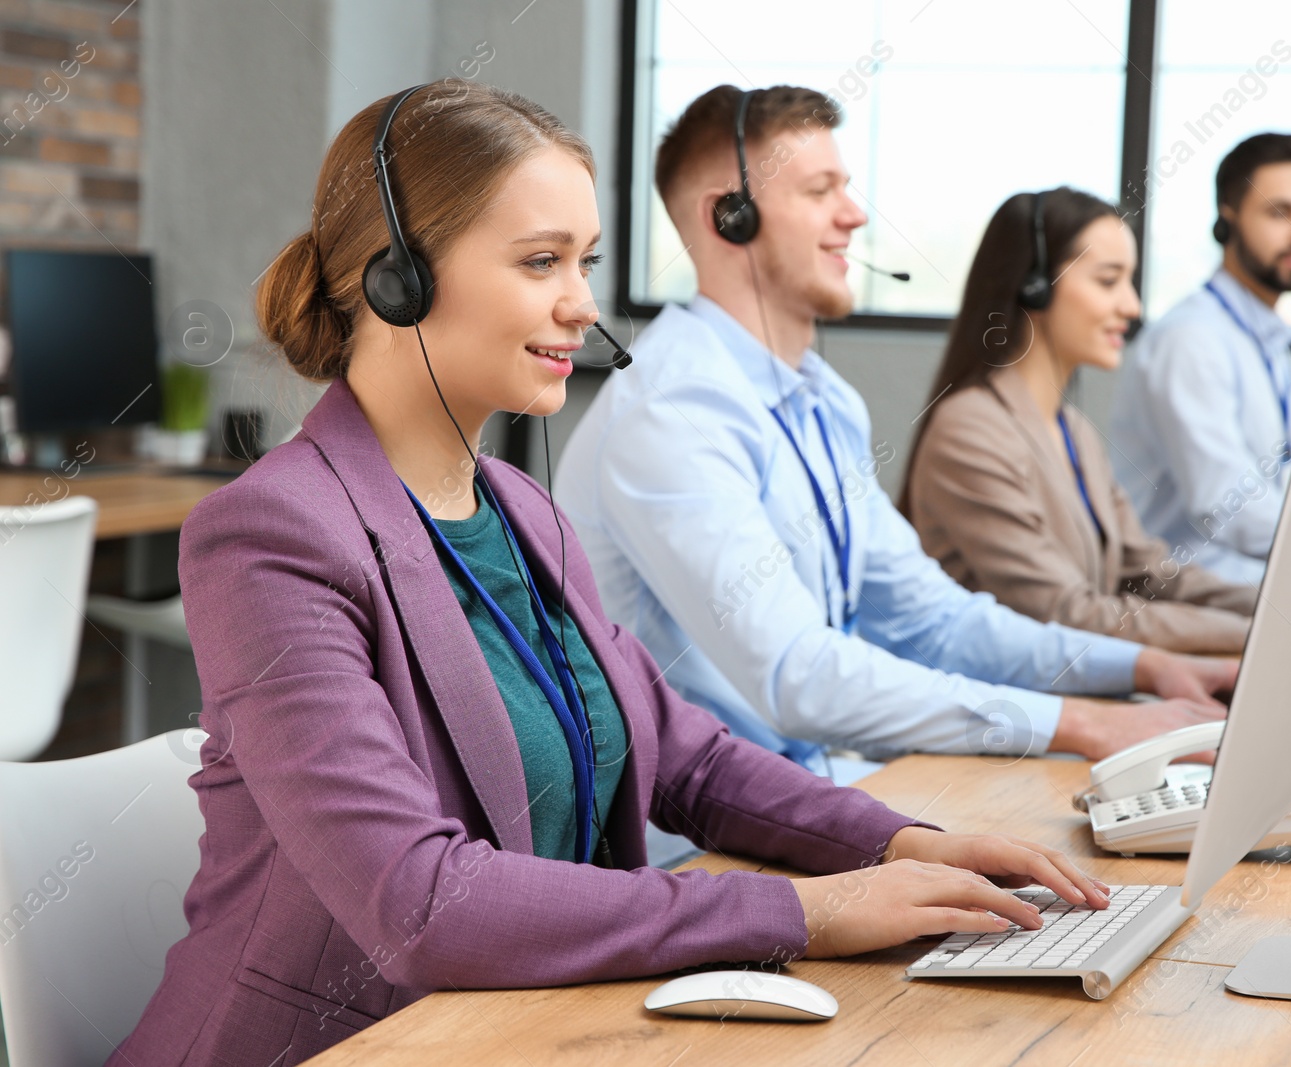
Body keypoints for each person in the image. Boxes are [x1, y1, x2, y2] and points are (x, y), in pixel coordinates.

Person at [114, 80, 1119, 1065]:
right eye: (541, 260)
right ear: (398, 279)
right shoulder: (270, 537)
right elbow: (419, 902)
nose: (582, 305)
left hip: (522, 1028)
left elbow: (689, 759)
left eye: (585, 260)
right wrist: (801, 910)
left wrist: (899, 841)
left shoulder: (521, 512)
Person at [554, 84, 1236, 781]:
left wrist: (1144, 664)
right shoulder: (673, 412)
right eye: (821, 191)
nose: (854, 215)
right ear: (729, 216)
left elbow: (936, 620)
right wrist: (1083, 722)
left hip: (809, 787)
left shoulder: (824, 403)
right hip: (692, 849)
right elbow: (798, 676)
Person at [903, 187, 1257, 655]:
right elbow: (1069, 614)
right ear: (1036, 286)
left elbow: (1149, 573)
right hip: (1004, 714)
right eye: (1109, 281)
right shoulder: (969, 431)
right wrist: (1253, 637)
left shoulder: (1074, 431)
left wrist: (1280, 610)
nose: (1131, 307)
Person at [1107, 133, 1291, 585]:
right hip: (1178, 590)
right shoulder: (1191, 340)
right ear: (1229, 218)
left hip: (1249, 577)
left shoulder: (1262, 338)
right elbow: (1229, 507)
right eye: (1279, 213)